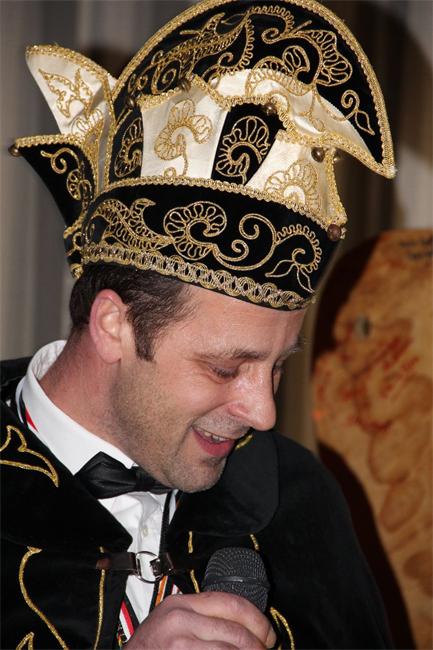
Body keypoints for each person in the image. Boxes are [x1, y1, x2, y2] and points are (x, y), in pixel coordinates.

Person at [1, 0, 396, 648]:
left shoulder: (299, 500)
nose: (263, 413)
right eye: (225, 367)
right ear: (113, 325)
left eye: (277, 366)